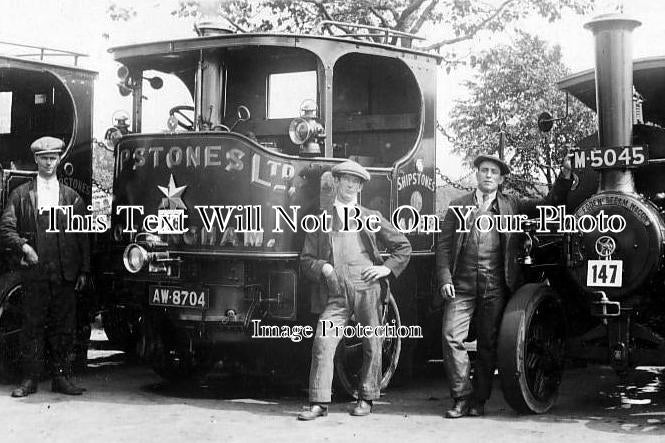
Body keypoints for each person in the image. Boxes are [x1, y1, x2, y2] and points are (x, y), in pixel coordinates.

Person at [436, 153, 572, 418]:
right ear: (476, 174)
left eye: (494, 172)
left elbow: (550, 203)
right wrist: (444, 278)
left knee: (488, 344)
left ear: (500, 179)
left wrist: (565, 176)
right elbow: (443, 246)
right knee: (451, 337)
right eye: (484, 170)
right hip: (460, 286)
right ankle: (461, 396)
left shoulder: (513, 205)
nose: (488, 175)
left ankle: (479, 401)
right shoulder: (457, 206)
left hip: (495, 286)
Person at [298, 160, 412, 420]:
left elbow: (403, 247)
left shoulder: (370, 217)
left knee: (372, 342)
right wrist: (324, 268)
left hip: (367, 290)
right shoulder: (320, 220)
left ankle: (366, 398)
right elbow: (305, 261)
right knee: (323, 343)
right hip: (336, 293)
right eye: (346, 180)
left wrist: (385, 270)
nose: (351, 185)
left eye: (356, 182)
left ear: (360, 187)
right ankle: (319, 402)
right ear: (336, 182)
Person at [0, 136, 90, 397]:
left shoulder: (73, 198)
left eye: (53, 158)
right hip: (35, 272)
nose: (49, 163)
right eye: (44, 158)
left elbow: (82, 237)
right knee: (33, 326)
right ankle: (30, 380)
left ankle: (61, 379)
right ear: (36, 160)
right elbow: (5, 228)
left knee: (64, 328)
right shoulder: (21, 195)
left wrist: (83, 270)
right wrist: (24, 247)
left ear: (59, 160)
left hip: (65, 272)